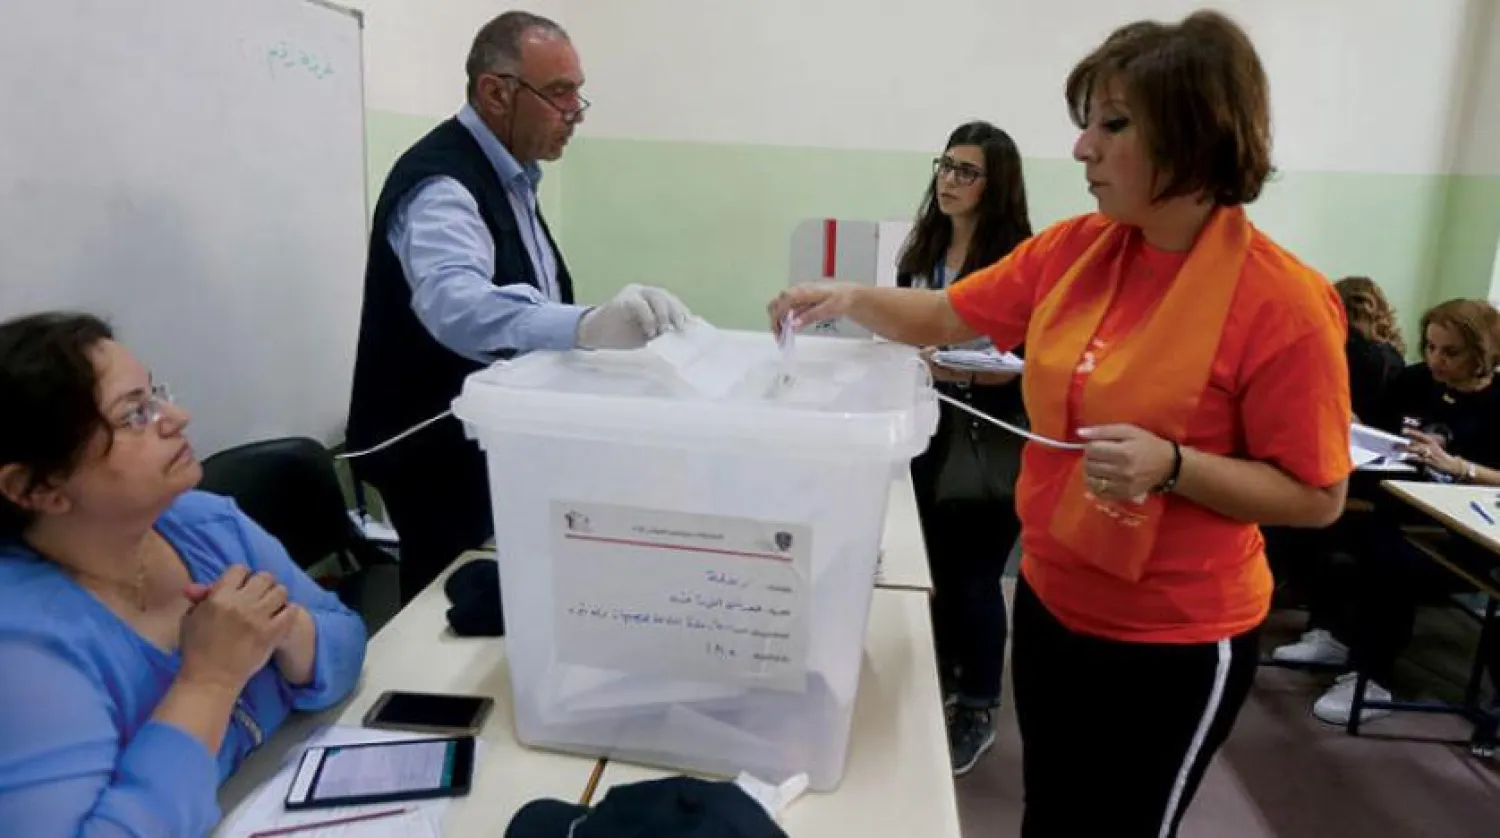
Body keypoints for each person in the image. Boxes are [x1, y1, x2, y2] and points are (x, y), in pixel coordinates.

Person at [770, 12, 1351, 836]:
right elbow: (945, 313)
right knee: (1050, 816)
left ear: (1194, 138)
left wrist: (1176, 464)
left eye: (1113, 125)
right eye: (1087, 123)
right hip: (1054, 601)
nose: (1083, 149)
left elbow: (1319, 495)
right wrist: (846, 298)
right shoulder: (1079, 248)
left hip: (1175, 641)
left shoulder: (1283, 304)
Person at [347, 10, 694, 603]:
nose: (575, 113)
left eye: (578, 94)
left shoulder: (514, 178)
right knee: (444, 625)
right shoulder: (442, 184)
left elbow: (528, 295)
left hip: (494, 445)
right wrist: (586, 327)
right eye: (560, 94)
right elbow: (457, 306)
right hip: (436, 460)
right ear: (496, 92)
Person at [0, 312, 368, 836]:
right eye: (134, 415)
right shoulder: (22, 643)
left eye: (157, 394)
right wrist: (210, 679)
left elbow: (345, 637)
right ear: (36, 489)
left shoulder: (202, 521)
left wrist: (284, 628)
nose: (177, 416)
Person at [1281, 299, 1500, 723]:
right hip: (1399, 504)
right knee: (1316, 520)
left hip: (1457, 527)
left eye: (1450, 352)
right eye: (1431, 347)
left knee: (1387, 557)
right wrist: (1354, 424)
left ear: (1483, 353)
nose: (1436, 359)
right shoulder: (1416, 380)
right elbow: (1379, 431)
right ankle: (1332, 633)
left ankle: (1371, 673)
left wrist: (1459, 467)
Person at [896, 121, 1032, 776]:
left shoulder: (1020, 259)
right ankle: (948, 680)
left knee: (975, 577)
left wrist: (967, 370)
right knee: (935, 570)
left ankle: (978, 704)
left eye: (966, 171)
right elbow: (902, 318)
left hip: (992, 433)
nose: (949, 181)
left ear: (995, 184)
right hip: (927, 427)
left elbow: (1039, 361)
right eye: (946, 166)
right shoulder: (923, 246)